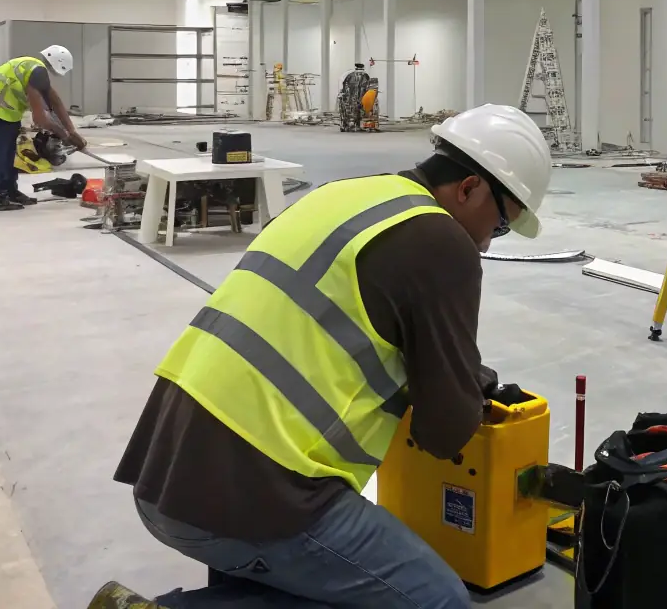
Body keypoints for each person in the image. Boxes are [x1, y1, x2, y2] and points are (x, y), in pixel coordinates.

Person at [92, 104, 552, 609]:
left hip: (169, 465)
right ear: (469, 188)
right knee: (438, 601)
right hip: (261, 492)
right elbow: (445, 432)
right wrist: (457, 378)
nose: (487, 243)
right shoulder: (442, 243)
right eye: (500, 225)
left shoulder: (346, 194)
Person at [0, 45, 86, 211]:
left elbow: (56, 103)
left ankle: (9, 191)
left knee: (8, 153)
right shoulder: (37, 72)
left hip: (5, 111)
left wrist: (72, 132)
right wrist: (65, 136)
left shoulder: (35, 70)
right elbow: (40, 118)